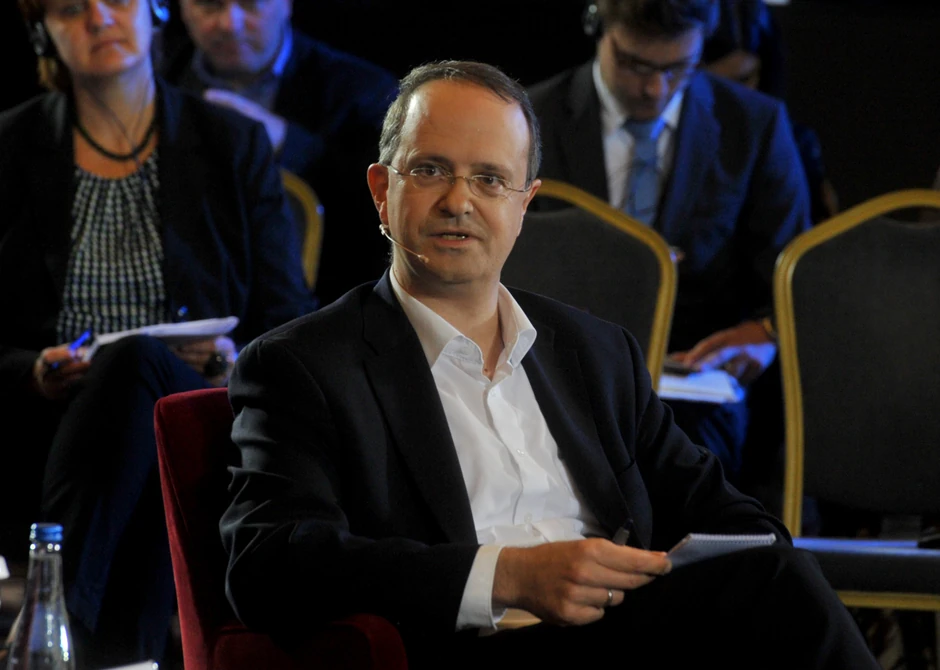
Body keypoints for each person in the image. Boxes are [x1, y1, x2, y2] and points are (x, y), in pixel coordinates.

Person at [221, 59, 878, 668]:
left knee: (775, 571)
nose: (459, 201)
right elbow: (266, 564)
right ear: (380, 190)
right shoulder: (302, 365)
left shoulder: (595, 352)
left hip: (631, 629)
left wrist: (664, 573)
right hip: (471, 645)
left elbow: (737, 522)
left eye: (489, 179)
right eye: (430, 170)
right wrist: (504, 575)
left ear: (523, 203)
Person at [0, 0, 314, 665]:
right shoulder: (11, 146)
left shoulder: (230, 143)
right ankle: (109, 652)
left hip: (200, 411)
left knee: (138, 367)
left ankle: (55, 619)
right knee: (137, 416)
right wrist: (32, 368)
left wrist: (230, 361)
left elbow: (290, 321)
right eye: (69, 8)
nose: (98, 18)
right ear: (42, 33)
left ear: (154, 11)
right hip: (48, 427)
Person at [527, 0, 811, 487]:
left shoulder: (753, 126)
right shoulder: (530, 118)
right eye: (634, 64)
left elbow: (797, 272)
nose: (655, 88)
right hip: (553, 371)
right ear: (598, 27)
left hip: (692, 397)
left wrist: (766, 332)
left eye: (679, 68)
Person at [164, 0, 398, 305]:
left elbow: (387, 215)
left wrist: (287, 143)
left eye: (250, 4)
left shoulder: (363, 92)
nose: (230, 24)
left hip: (320, 305)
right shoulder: (156, 78)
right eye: (210, 5)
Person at [701, 0, 839, 225]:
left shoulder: (797, 146)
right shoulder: (669, 141)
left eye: (743, 81)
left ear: (765, 74)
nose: (731, 99)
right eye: (715, 85)